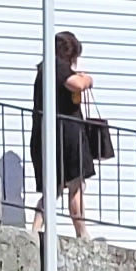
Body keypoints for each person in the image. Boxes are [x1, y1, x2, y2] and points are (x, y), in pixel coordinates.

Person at [41, 30, 98, 240]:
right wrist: (87, 79)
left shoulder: (45, 67)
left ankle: (36, 229)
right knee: (75, 184)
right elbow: (77, 84)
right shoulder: (58, 67)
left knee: (53, 187)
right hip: (67, 135)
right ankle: (81, 232)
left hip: (51, 133)